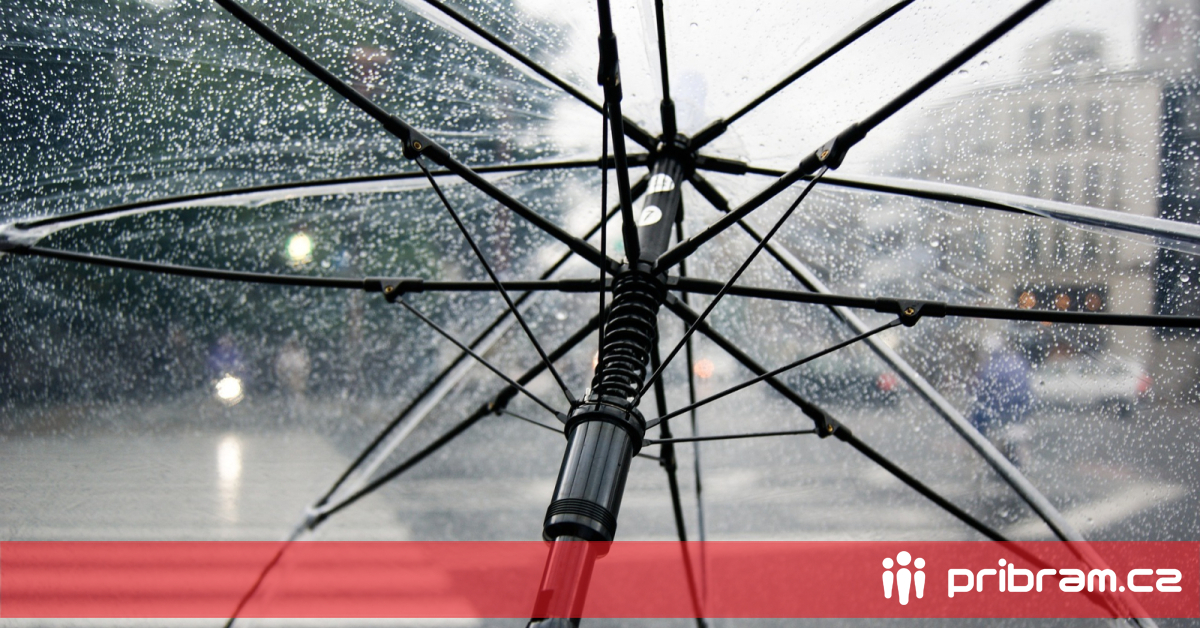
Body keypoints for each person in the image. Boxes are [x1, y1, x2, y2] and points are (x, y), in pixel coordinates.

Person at [969, 334, 1033, 466]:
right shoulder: (1018, 362)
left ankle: (978, 447)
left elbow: (981, 393)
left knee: (978, 416)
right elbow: (1028, 391)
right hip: (1020, 413)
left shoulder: (991, 368)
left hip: (998, 414)